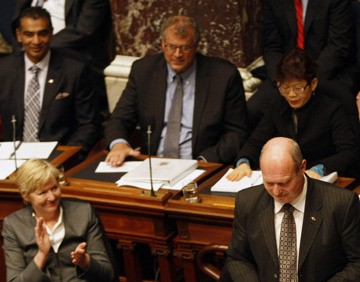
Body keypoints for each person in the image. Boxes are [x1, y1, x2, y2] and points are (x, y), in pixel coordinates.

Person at [218, 137, 360, 282]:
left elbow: (357, 262)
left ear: (302, 167)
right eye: (268, 183)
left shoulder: (341, 204)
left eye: (284, 182)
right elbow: (237, 258)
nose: (276, 191)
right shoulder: (248, 201)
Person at [105, 15, 248, 166]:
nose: (177, 54)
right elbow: (120, 119)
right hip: (152, 165)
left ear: (196, 46)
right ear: (162, 44)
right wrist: (119, 144)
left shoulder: (223, 76)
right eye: (172, 46)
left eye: (185, 47)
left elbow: (236, 133)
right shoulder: (143, 71)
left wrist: (204, 162)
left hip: (200, 165)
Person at [2, 159, 116, 282]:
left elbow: (107, 275)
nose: (51, 197)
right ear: (26, 196)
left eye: (54, 188)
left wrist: (85, 262)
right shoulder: (14, 225)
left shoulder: (83, 213)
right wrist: (41, 254)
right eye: (42, 193)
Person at [228, 48, 359, 181]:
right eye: (285, 87)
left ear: (313, 84)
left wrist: (319, 169)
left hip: (320, 180)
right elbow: (257, 140)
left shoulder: (332, 108)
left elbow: (348, 152)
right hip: (284, 179)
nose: (291, 94)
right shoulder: (278, 106)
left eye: (298, 88)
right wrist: (244, 161)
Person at [0, 6, 100, 158]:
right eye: (29, 34)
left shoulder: (75, 71)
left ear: (51, 33)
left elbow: (88, 125)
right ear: (19, 35)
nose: (36, 41)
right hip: (13, 160)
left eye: (42, 33)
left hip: (58, 158)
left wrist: (66, 156)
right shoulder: (4, 70)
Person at [248, 0, 358, 130]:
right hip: (286, 73)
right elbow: (272, 46)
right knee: (253, 109)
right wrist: (282, 78)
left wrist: (307, 79)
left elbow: (338, 47)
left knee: (341, 107)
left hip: (326, 72)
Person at [13, 0, 115, 119]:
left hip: (71, 59)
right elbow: (18, 24)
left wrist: (41, 45)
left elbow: (84, 30)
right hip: (28, 59)